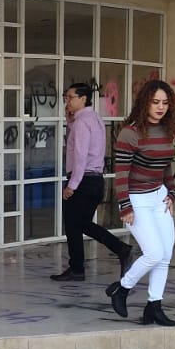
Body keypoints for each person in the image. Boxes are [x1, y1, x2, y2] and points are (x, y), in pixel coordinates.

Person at [105, 80, 175, 326]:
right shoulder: (130, 132)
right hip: (136, 201)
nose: (160, 107)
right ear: (145, 103)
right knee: (154, 253)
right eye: (155, 102)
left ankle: (153, 307)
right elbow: (122, 173)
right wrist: (124, 206)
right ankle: (122, 289)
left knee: (165, 255)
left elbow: (166, 165)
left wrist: (172, 193)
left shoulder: (167, 129)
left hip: (159, 197)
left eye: (165, 103)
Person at [52, 81, 130, 282]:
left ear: (83, 99)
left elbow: (81, 156)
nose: (66, 101)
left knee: (76, 224)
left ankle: (120, 249)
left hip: (83, 180)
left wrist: (72, 185)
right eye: (66, 98)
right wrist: (70, 120)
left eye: (70, 98)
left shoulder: (81, 123)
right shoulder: (94, 118)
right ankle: (77, 268)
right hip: (94, 180)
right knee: (77, 224)